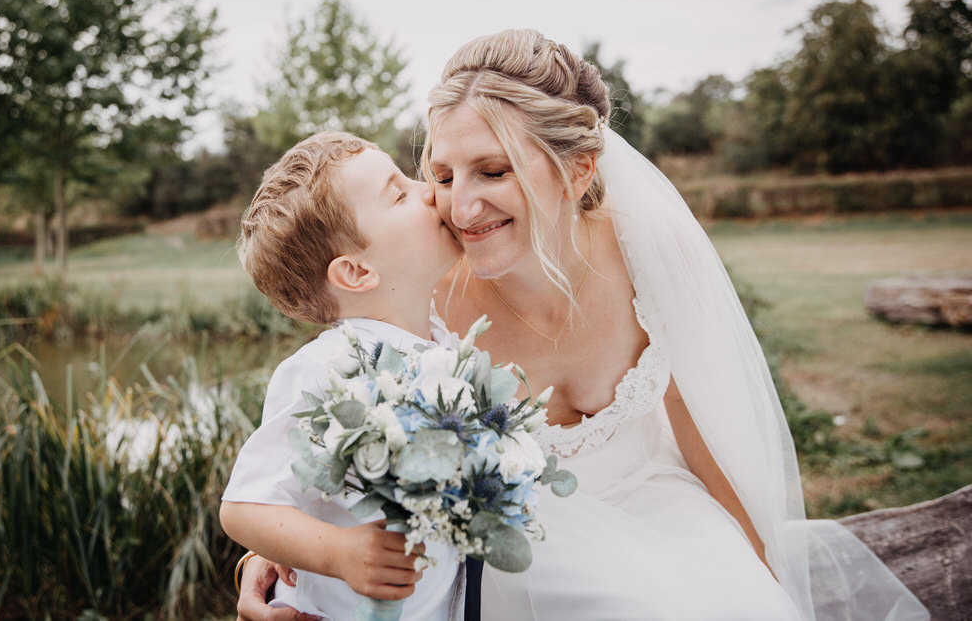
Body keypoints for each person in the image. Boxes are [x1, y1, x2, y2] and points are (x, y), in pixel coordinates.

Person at [237, 31, 930, 620]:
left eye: (492, 170)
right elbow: (342, 418)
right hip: (519, 550)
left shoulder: (649, 250)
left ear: (577, 169)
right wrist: (282, 549)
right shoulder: (429, 283)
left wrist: (762, 569)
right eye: (442, 174)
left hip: (660, 505)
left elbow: (698, 424)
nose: (460, 204)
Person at [220, 131, 467, 620]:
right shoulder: (324, 371)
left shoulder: (446, 339)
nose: (429, 189)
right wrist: (336, 553)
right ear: (356, 272)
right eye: (399, 193)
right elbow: (245, 505)